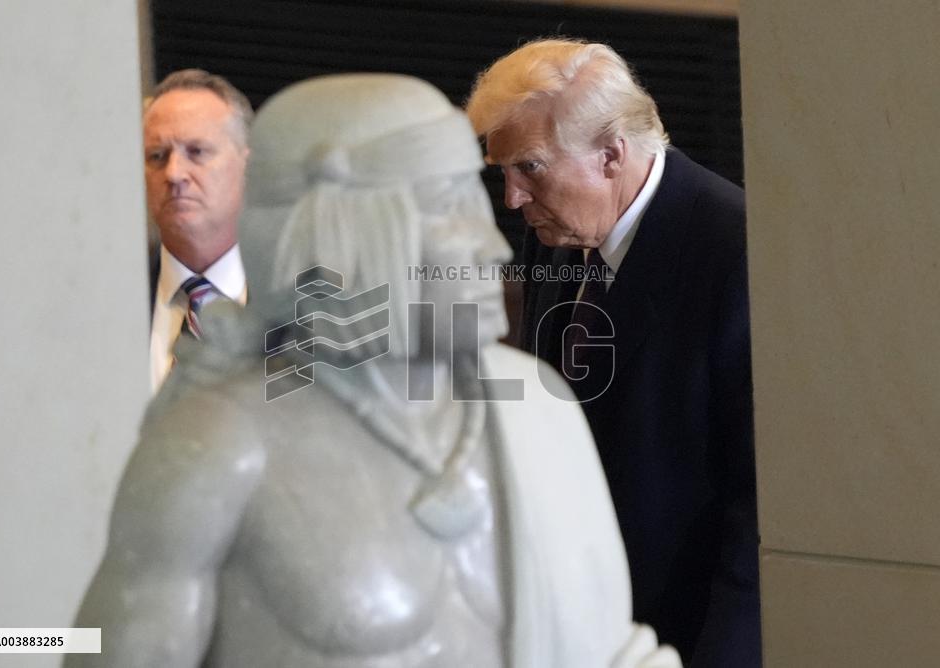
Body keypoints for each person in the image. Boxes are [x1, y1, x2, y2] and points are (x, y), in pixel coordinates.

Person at [69, 73, 680, 668]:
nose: (493, 247)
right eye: (452, 210)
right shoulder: (218, 445)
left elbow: (610, 649)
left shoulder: (540, 410)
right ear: (350, 230)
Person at [466, 38, 760, 666]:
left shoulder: (737, 251)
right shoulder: (556, 226)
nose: (512, 199)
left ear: (611, 154)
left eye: (531, 168)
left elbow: (757, 505)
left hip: (682, 633)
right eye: (503, 172)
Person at [143, 69, 253, 392]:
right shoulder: (105, 299)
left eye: (197, 152)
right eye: (157, 156)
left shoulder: (307, 311)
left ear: (249, 167)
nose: (175, 174)